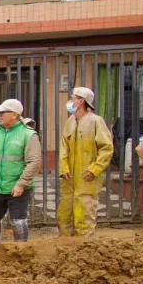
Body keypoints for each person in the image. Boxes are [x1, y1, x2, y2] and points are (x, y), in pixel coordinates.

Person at [0, 98, 43, 249]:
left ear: (14, 114)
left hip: (17, 188)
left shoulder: (28, 135)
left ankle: (21, 250)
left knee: (18, 221)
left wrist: (21, 184)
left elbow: (34, 162)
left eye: (3, 112)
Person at [58, 86, 114, 237]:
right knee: (65, 215)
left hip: (87, 178)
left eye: (73, 98)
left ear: (81, 101)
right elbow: (64, 146)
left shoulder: (96, 121)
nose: (70, 101)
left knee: (84, 214)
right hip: (69, 179)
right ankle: (65, 248)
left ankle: (83, 249)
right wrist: (63, 168)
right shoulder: (70, 121)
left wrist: (95, 169)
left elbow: (107, 148)